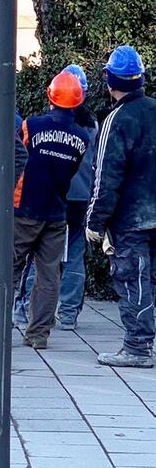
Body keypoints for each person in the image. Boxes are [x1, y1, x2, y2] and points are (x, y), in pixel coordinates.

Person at [13, 64, 98, 331]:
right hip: (67, 206)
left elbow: (17, 157)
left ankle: (13, 315)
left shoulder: (32, 125)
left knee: (16, 266)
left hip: (28, 206)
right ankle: (49, 327)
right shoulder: (86, 133)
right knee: (55, 269)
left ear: (50, 96)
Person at [86, 45, 156, 368]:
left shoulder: (116, 120)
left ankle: (137, 348)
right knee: (149, 280)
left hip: (130, 219)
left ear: (110, 81)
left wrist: (95, 222)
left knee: (133, 280)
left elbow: (106, 176)